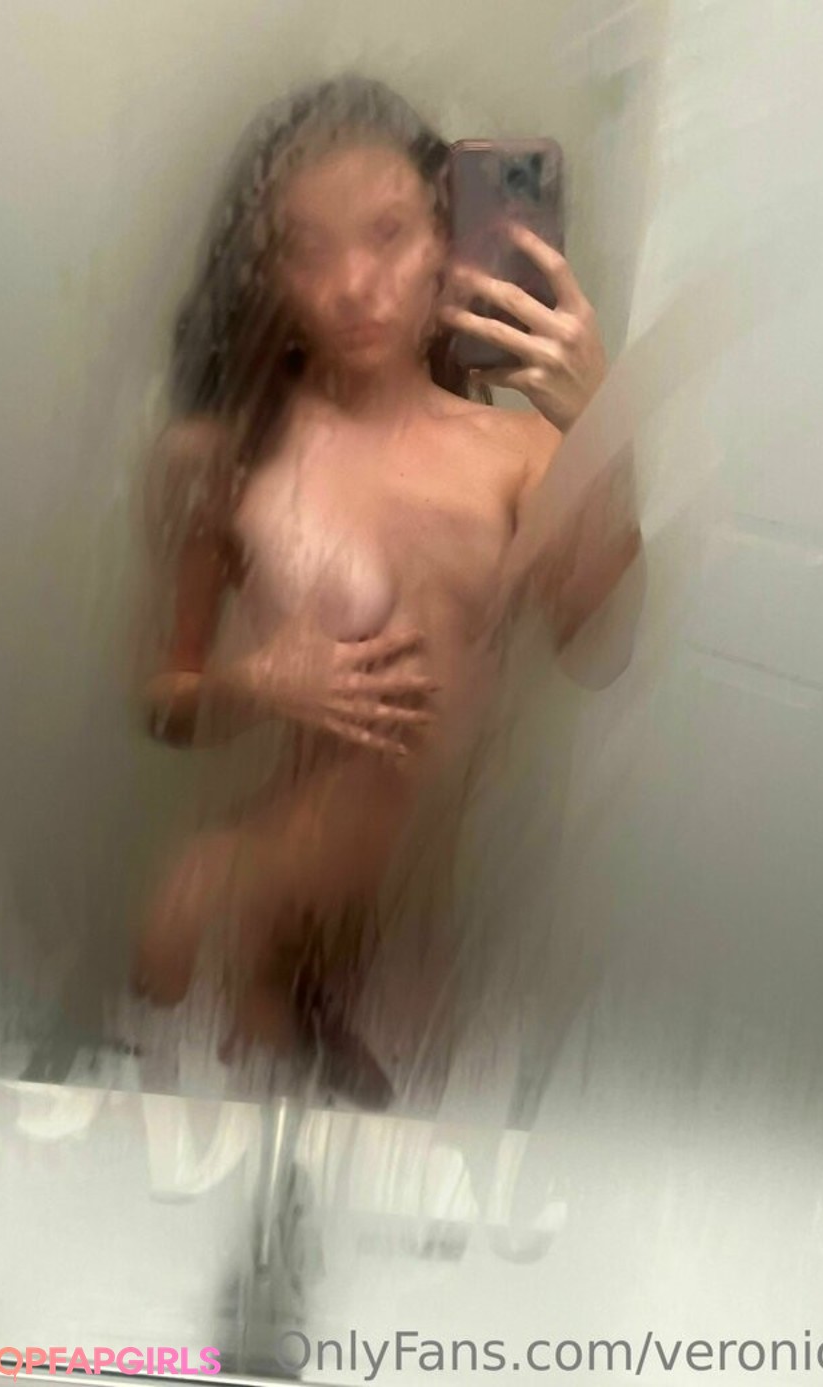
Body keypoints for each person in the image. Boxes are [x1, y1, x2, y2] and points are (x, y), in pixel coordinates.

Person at [128, 73, 644, 1111]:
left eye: (388, 234)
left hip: (413, 950)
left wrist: (602, 425)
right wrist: (257, 682)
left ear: (448, 238)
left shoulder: (520, 455)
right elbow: (163, 699)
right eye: (305, 249)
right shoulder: (220, 457)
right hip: (231, 924)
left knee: (413, 1188)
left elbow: (599, 642)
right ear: (262, 268)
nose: (353, 284)